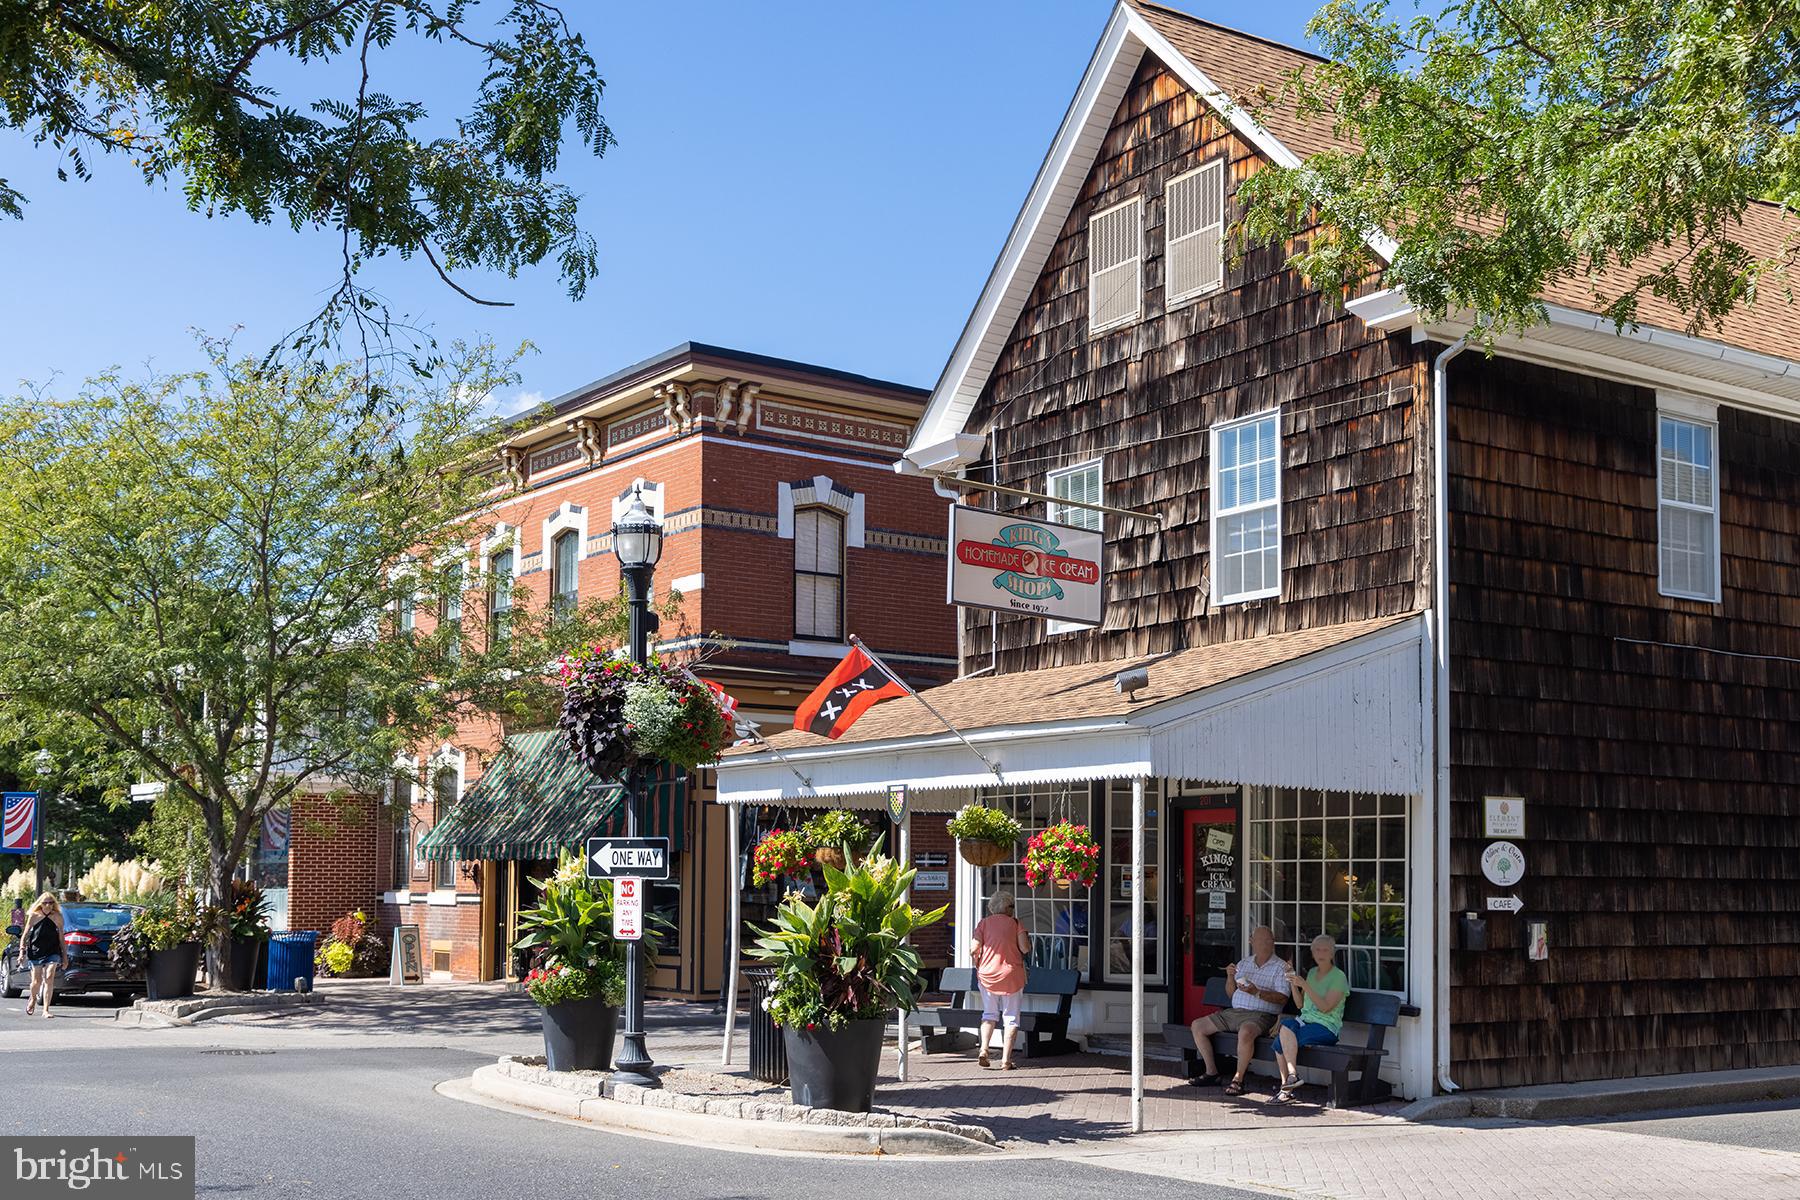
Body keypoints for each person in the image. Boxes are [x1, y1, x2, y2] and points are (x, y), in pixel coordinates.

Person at [1189, 925, 1289, 1094]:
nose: (1265, 943)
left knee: (1246, 1032)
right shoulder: (1244, 963)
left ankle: (1238, 1080)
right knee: (1197, 1026)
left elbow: (1282, 998)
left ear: (1273, 942)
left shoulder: (1280, 967)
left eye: (1268, 940)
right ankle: (1212, 1072)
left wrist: (1256, 992)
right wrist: (1230, 977)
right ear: (1252, 942)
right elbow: (1231, 994)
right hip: (1234, 1012)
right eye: (1261, 940)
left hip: (1261, 1015)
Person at [1269, 933, 1349, 1104]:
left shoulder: (1338, 977)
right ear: (1312, 953)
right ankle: (1291, 1079)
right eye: (1317, 950)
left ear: (1332, 953)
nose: (1321, 953)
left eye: (1325, 950)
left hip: (1326, 1027)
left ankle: (1286, 1089)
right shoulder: (1312, 973)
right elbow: (1300, 1005)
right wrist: (1292, 981)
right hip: (1304, 1022)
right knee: (1285, 1026)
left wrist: (1305, 984)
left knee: (1281, 1042)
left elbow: (1325, 1007)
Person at [969, 889, 1031, 1070]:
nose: (1013, 909)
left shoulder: (983, 924)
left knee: (989, 1014)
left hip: (987, 975)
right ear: (1006, 907)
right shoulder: (1016, 923)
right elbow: (1025, 948)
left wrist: (978, 961)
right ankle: (1006, 1060)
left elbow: (973, 949)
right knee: (1011, 1018)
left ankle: (984, 1049)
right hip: (1012, 975)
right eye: (1012, 906)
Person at [22, 892, 68, 1019]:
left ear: (54, 904)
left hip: (52, 950)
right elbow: (25, 934)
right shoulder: (34, 916)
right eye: (45, 903)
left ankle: (46, 1010)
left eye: (51, 903)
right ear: (40, 904)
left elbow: (61, 937)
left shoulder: (58, 916)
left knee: (49, 976)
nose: (48, 905)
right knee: (36, 981)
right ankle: (33, 998)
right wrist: (22, 951)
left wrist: (64, 956)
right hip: (36, 951)